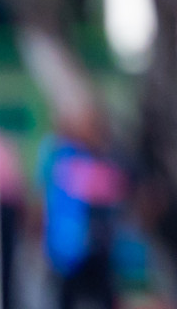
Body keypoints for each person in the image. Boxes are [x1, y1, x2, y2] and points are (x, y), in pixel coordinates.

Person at [39, 109, 126, 309]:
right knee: (67, 295)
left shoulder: (107, 159)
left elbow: (112, 192)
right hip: (68, 246)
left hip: (97, 244)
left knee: (102, 294)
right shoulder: (61, 156)